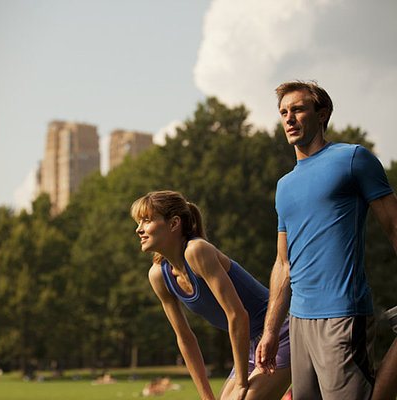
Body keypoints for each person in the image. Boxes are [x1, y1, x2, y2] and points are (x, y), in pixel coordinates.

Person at [255, 80, 397, 399]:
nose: (289, 118)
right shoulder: (284, 185)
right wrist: (270, 330)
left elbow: (393, 223)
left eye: (298, 109)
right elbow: (283, 263)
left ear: (322, 114)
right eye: (283, 112)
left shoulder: (353, 158)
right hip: (300, 322)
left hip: (343, 313)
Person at [131, 190, 291, 400]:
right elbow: (185, 339)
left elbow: (237, 315)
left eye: (147, 220)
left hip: (279, 336)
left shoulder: (197, 251)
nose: (138, 229)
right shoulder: (158, 276)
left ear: (173, 224)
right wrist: (207, 397)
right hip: (247, 347)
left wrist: (242, 383)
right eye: (138, 222)